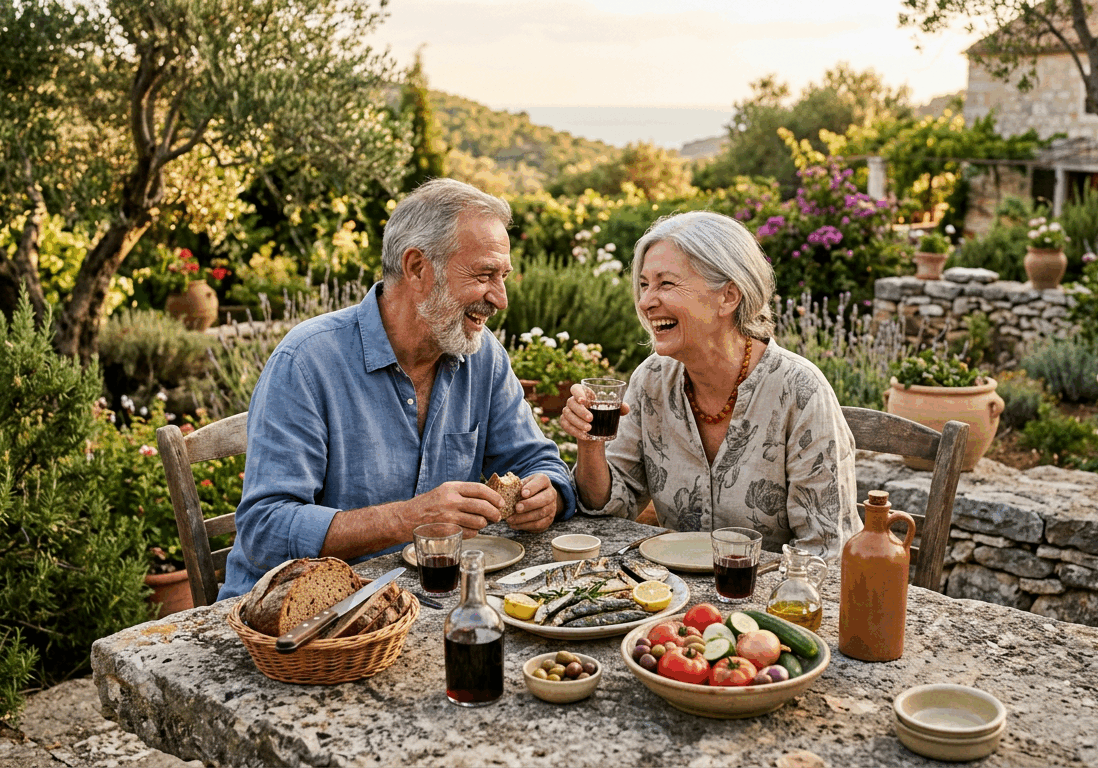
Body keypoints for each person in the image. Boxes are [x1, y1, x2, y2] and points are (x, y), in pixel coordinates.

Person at [219, 179, 576, 599]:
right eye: (484, 275)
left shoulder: (482, 355)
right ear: (417, 268)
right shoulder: (307, 361)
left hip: (422, 600)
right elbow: (265, 529)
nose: (500, 298)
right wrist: (407, 519)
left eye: (503, 277)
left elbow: (537, 461)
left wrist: (547, 494)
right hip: (298, 612)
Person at [560, 210, 860, 560]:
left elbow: (825, 550)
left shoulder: (800, 391)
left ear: (728, 296)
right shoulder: (651, 380)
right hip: (673, 586)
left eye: (666, 284)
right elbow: (612, 508)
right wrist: (590, 442)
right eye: (644, 285)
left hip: (770, 592)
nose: (645, 302)